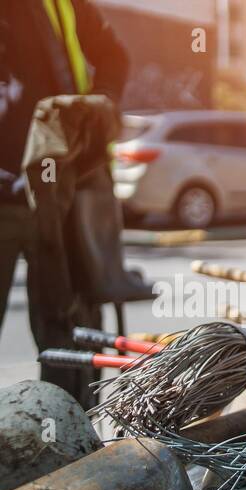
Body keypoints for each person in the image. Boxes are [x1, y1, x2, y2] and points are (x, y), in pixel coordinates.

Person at [0, 0, 129, 400]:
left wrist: (101, 102)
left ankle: (69, 443)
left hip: (61, 196)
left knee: (69, 335)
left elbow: (113, 56)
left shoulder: (61, 4)